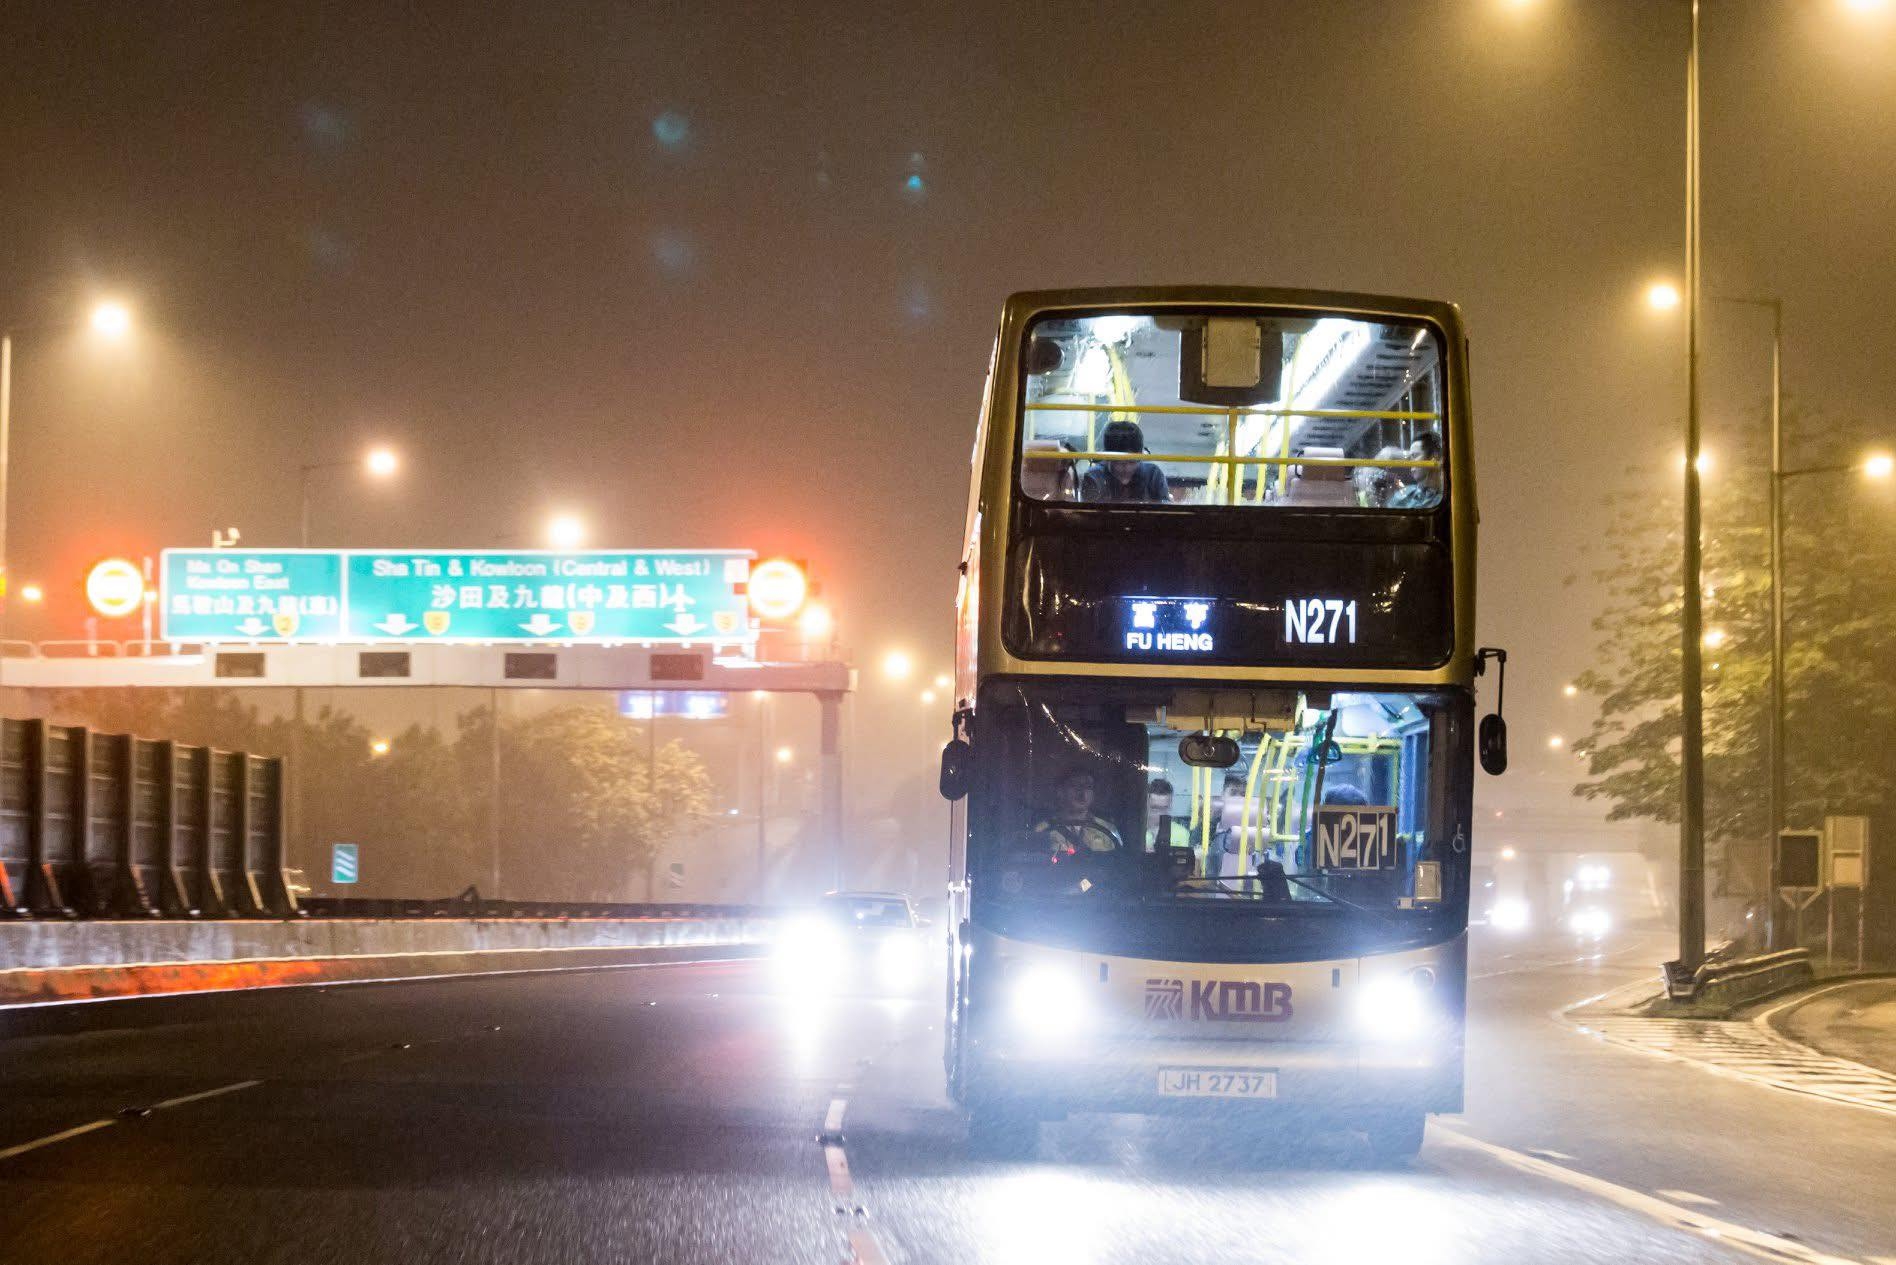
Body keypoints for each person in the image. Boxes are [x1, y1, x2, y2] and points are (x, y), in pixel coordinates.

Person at [1032, 764, 1123, 857]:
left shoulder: (1109, 830)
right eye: (1075, 785)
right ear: (1060, 791)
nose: (1082, 792)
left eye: (1088, 786)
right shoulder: (1043, 830)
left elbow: (1119, 863)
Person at [1079, 420, 1171, 504]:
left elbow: (1165, 511)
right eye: (1119, 462)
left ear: (1141, 456)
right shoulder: (1094, 477)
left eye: (1132, 462)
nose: (1126, 468)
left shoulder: (1154, 475)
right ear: (1107, 458)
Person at [1386, 431, 1444, 509]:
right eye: (1410, 458)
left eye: (1415, 456)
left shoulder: (1443, 499)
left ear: (1433, 457)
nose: (1410, 462)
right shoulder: (1402, 495)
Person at [1145, 778, 1192, 852]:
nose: (1160, 814)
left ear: (1170, 805)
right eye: (1155, 808)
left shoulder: (1181, 834)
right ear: (1145, 805)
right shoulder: (1134, 832)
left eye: (1164, 808)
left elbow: (1182, 861)